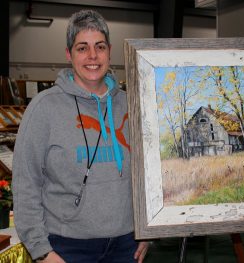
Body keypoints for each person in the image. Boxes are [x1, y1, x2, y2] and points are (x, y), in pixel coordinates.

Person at [12, 9, 148, 263]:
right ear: (69, 54)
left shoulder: (132, 105)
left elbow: (148, 172)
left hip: (126, 245)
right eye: (82, 48)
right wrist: (42, 251)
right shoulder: (44, 108)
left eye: (99, 46)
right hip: (66, 248)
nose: (92, 56)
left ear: (110, 51)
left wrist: (147, 231)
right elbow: (25, 184)